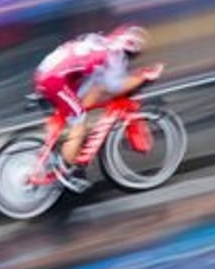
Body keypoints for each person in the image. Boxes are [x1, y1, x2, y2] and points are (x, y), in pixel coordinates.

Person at [33, 25, 163, 190]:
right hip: (54, 79)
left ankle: (67, 153)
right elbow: (114, 86)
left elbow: (97, 85)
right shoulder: (114, 54)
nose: (130, 59)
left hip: (49, 73)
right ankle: (67, 172)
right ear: (128, 48)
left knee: (82, 105)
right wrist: (144, 76)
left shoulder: (103, 44)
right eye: (132, 55)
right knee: (79, 121)